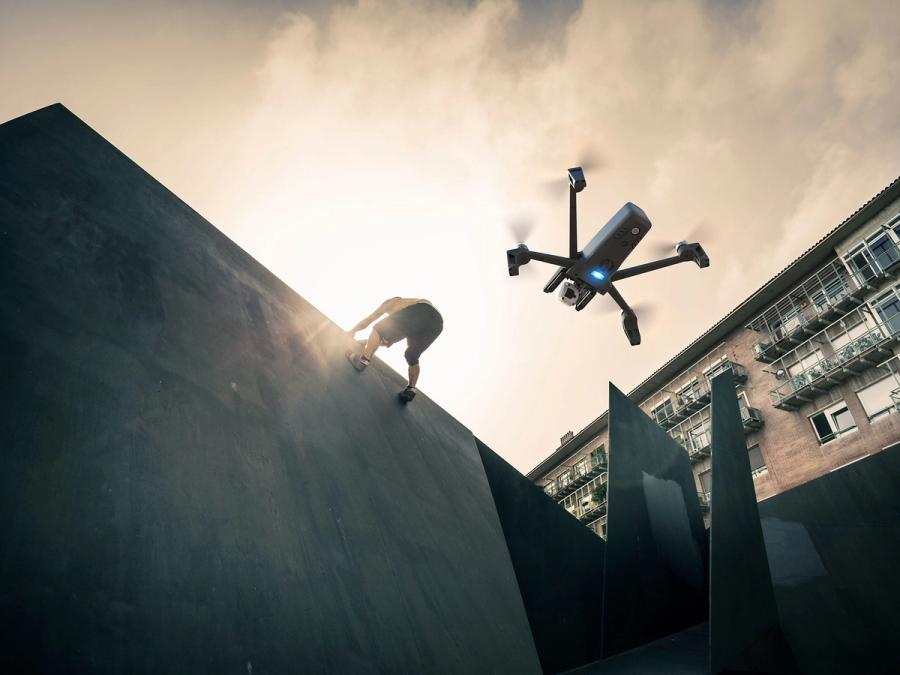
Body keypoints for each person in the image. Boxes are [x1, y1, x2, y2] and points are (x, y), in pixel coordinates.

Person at [346, 297, 443, 402]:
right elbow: (387, 341)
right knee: (411, 355)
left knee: (380, 327)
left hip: (423, 309)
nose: (390, 316)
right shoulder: (406, 320)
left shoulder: (393, 302)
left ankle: (363, 360)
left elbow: (370, 320)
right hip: (436, 324)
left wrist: (352, 331)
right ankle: (411, 390)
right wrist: (365, 342)